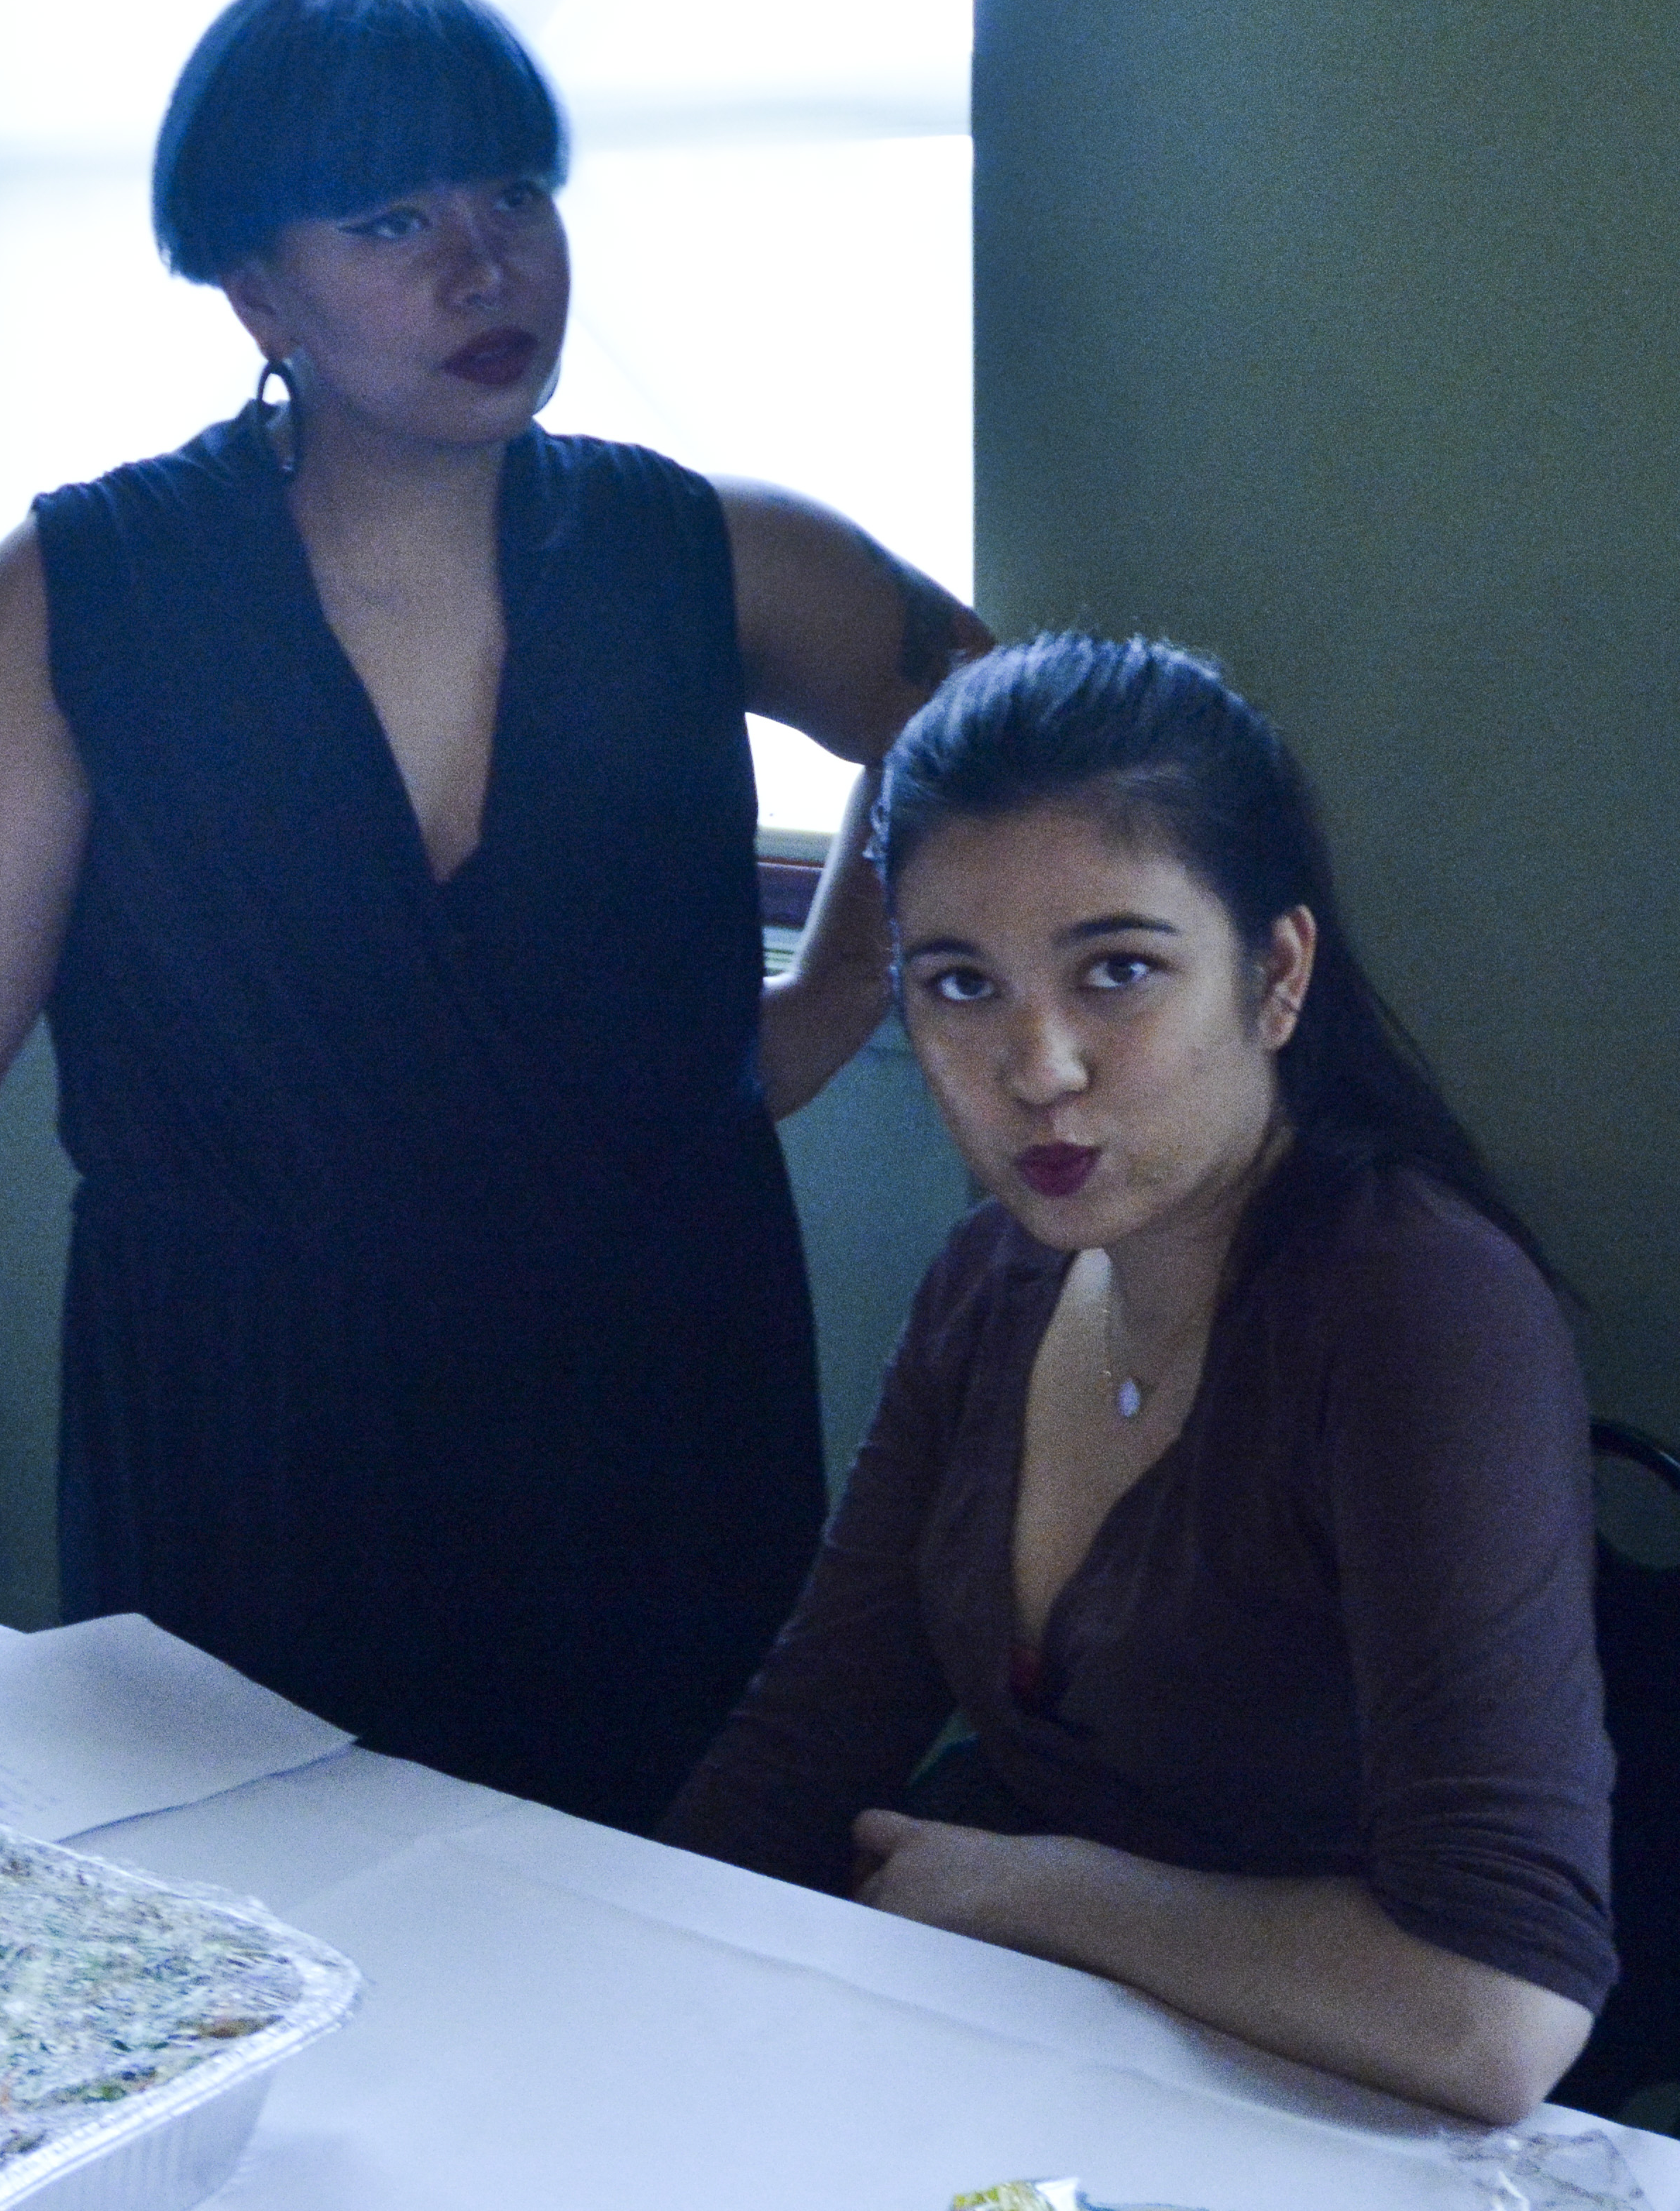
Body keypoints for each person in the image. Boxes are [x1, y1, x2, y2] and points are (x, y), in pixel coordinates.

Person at [0, 0, 985, 1831]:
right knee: (266, 1905)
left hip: (657, 1392)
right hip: (245, 1427)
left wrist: (844, 983)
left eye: (515, 195)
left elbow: (992, 722)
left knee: (687, 1891)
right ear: (257, 290)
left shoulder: (705, 552)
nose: (486, 267)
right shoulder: (68, 606)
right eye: (393, 220)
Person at [659, 635, 1613, 2125]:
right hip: (1019, 2077)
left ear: (1275, 975)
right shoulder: (993, 1275)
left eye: (1118, 971)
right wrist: (627, 1982)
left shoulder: (1419, 1310)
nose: (1036, 1066)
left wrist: (1034, 1889)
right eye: (960, 984)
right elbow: (801, 1749)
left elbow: (1496, 2012)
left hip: (1315, 2122)